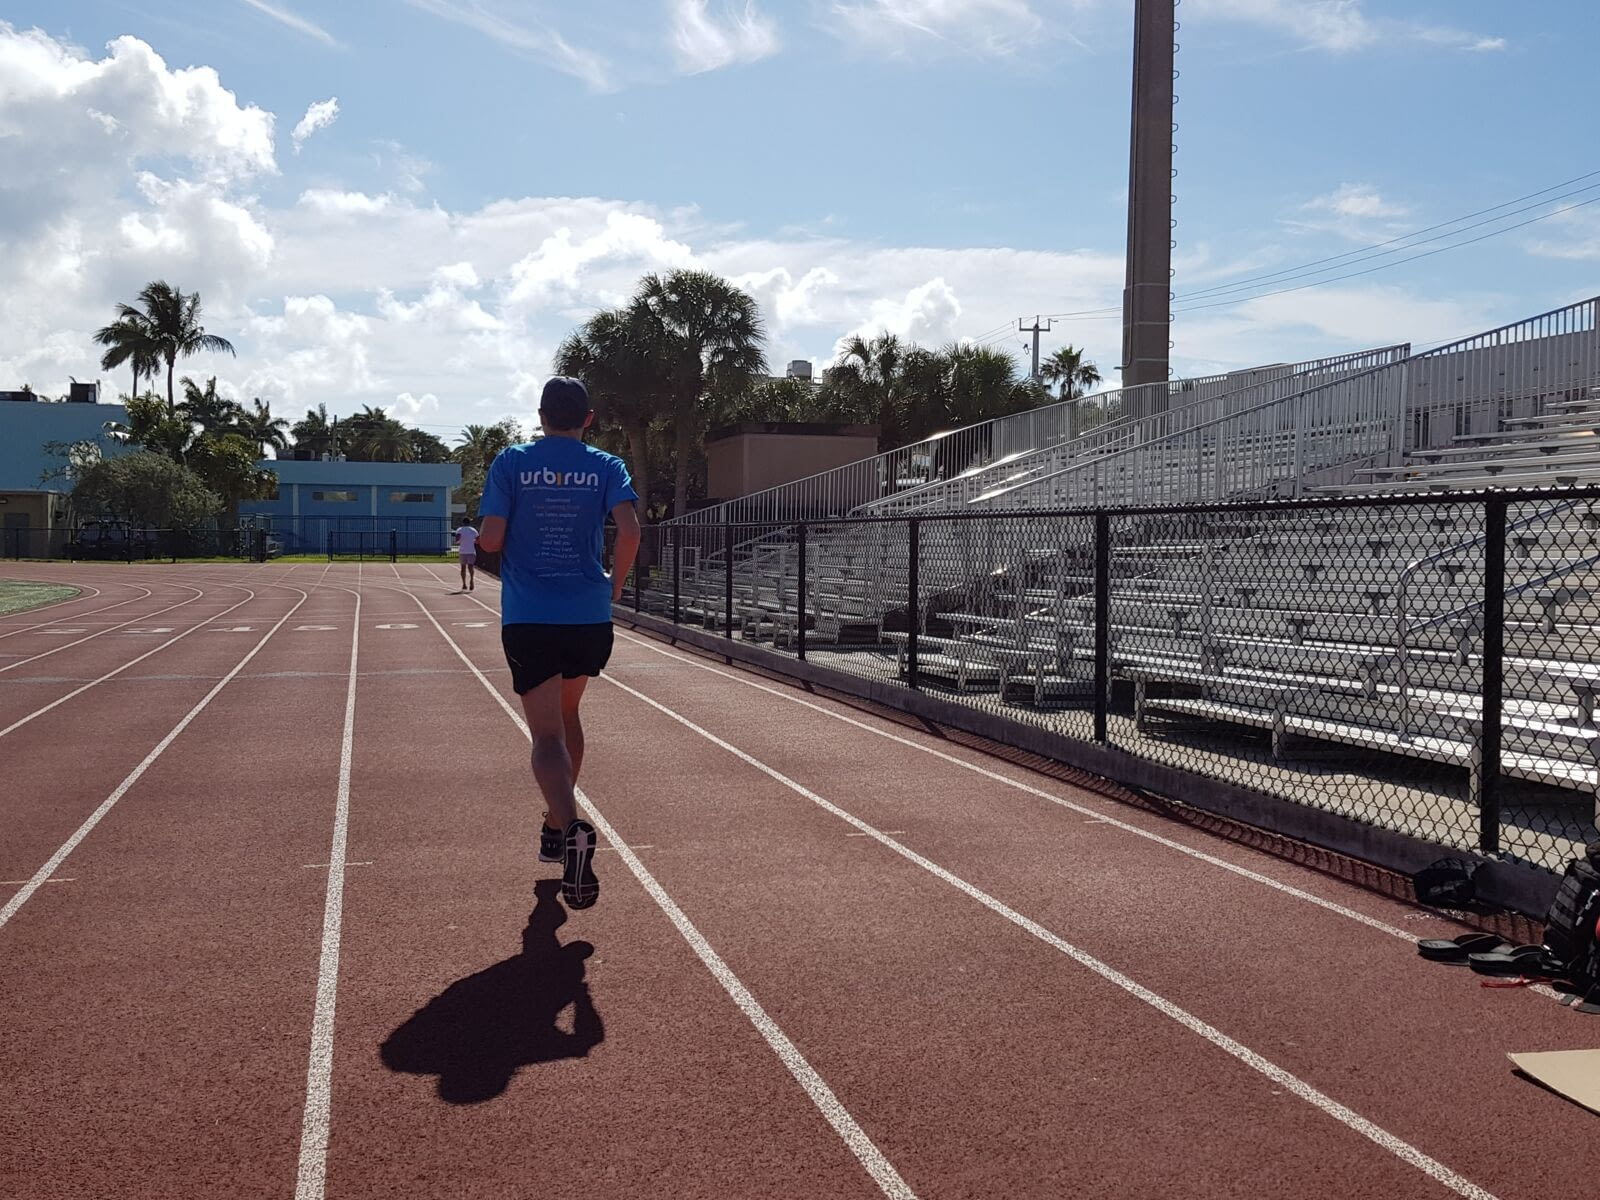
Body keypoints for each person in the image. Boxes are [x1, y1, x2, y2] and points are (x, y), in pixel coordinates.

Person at [476, 377, 641, 910]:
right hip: (587, 614)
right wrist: (613, 586)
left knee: (546, 736)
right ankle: (554, 825)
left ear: (541, 414)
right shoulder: (607, 465)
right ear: (587, 419)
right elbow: (631, 531)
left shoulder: (511, 462)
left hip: (531, 614)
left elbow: (493, 539)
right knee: (570, 718)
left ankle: (569, 826)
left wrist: (482, 539)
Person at [453, 521, 480, 591]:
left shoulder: (459, 530)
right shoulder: (473, 530)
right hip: (471, 551)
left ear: (463, 523)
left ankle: (464, 583)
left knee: (463, 568)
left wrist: (460, 541)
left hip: (463, 551)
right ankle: (471, 580)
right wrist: (472, 541)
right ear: (469, 523)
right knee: (471, 567)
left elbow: (457, 540)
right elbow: (478, 540)